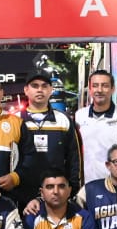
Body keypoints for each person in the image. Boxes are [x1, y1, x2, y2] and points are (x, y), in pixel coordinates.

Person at [13, 73, 82, 209]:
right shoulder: (15, 120)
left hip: (57, 193)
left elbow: (74, 157)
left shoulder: (63, 120)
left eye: (44, 86)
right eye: (35, 86)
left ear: (51, 90)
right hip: (23, 195)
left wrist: (73, 188)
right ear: (26, 90)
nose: (40, 90)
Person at [74, 69, 117, 185]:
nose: (99, 90)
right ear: (90, 89)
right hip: (86, 183)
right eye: (95, 86)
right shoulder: (79, 115)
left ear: (113, 89)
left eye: (105, 86)